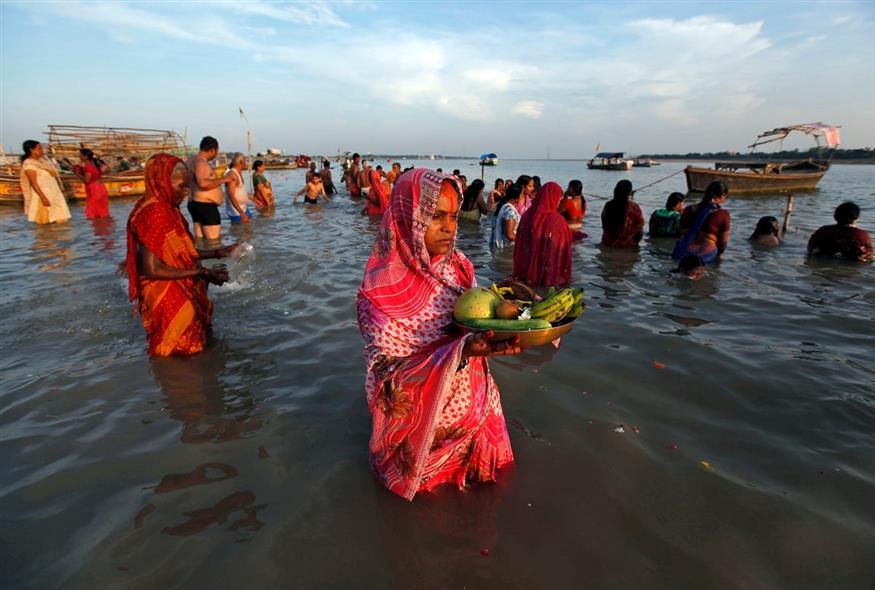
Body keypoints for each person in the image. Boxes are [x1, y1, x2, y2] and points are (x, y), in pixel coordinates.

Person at [356, 168, 521, 501]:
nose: (450, 227)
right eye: (436, 217)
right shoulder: (378, 296)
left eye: (454, 217)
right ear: (407, 216)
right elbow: (389, 379)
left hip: (475, 408)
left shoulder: (459, 266)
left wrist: (506, 318)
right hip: (428, 433)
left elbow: (477, 321)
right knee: (432, 512)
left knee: (490, 499)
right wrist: (461, 352)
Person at [126, 153, 236, 356]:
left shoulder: (168, 209)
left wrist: (220, 252)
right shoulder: (154, 213)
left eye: (187, 186)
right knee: (178, 354)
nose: (185, 193)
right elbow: (152, 269)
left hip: (180, 284)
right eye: (181, 187)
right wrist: (201, 274)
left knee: (192, 350)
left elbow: (183, 252)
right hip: (167, 293)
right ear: (161, 181)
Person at [513, 182, 573, 287]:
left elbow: (520, 247)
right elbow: (561, 251)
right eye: (558, 198)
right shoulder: (558, 222)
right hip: (548, 278)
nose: (559, 202)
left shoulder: (526, 216)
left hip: (525, 276)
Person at [672, 181, 731, 263]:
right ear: (722, 195)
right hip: (705, 254)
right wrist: (718, 259)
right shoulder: (722, 214)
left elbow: (679, 233)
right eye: (725, 197)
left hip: (681, 252)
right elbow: (722, 244)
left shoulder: (688, 210)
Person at [187, 136, 231, 243]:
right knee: (214, 243)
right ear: (213, 150)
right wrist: (224, 179)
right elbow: (202, 183)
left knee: (200, 240)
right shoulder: (201, 163)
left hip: (194, 204)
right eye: (216, 151)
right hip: (205, 206)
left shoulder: (191, 160)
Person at [19, 140, 71, 225]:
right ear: (31, 150)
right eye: (39, 148)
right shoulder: (29, 164)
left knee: (62, 223)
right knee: (45, 225)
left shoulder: (43, 161)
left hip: (54, 195)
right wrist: (43, 198)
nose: (42, 150)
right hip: (43, 197)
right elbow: (33, 183)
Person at [807, 202, 873, 262]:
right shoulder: (861, 235)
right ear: (856, 218)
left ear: (835, 217)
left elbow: (810, 248)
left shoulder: (823, 231)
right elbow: (869, 257)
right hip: (849, 268)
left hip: (823, 263)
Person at [601, 179, 644, 247]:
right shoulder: (635, 208)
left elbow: (605, 226)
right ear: (629, 192)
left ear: (615, 190)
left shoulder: (608, 205)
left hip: (608, 245)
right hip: (628, 247)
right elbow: (639, 231)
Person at [73, 148, 110, 219]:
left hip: (94, 189)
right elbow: (106, 167)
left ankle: (97, 228)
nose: (79, 157)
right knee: (102, 210)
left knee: (93, 212)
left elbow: (87, 180)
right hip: (101, 187)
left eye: (80, 155)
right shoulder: (95, 164)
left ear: (85, 157)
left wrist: (77, 173)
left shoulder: (88, 166)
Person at [490, 184, 523, 250]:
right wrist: (524, 239)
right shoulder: (510, 211)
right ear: (517, 196)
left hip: (498, 244)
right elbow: (510, 235)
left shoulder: (503, 205)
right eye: (522, 194)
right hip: (507, 248)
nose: (522, 196)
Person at [224, 153, 251, 223]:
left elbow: (240, 191)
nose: (246, 162)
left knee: (249, 231)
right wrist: (241, 213)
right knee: (240, 232)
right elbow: (231, 195)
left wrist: (254, 199)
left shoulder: (239, 173)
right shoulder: (232, 174)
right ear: (241, 162)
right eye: (245, 160)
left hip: (244, 208)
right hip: (236, 212)